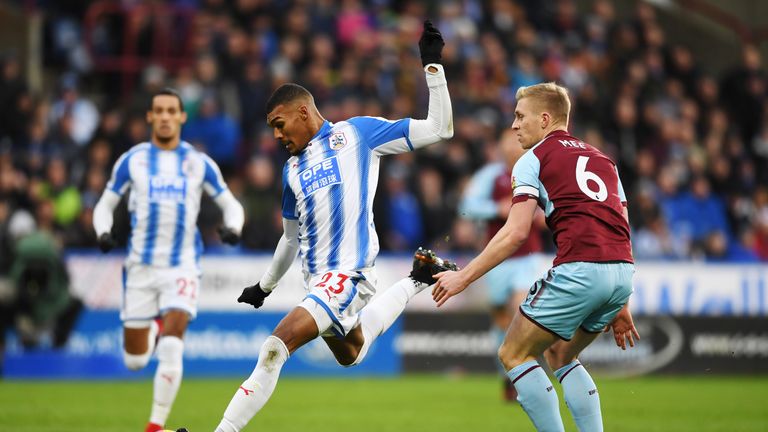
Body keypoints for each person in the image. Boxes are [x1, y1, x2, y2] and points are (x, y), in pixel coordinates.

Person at [209, 20, 453, 432]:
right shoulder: (291, 172)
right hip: (319, 282)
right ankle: (418, 278)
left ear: (303, 111)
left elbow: (439, 129)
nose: (276, 135)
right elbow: (290, 238)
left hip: (349, 275)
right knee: (352, 352)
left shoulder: (356, 135)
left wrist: (432, 68)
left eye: (279, 123)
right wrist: (264, 287)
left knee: (275, 346)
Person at [433, 82, 639, 432]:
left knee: (512, 353)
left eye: (519, 116)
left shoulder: (533, 159)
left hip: (579, 269)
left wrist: (463, 277)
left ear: (545, 119)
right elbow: (620, 226)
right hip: (621, 273)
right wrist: (621, 302)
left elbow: (515, 233)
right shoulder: (604, 160)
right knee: (561, 354)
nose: (514, 125)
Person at [93, 88, 244, 432]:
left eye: (170, 110)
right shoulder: (133, 160)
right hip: (140, 268)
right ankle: (156, 328)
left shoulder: (198, 163)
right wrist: (103, 232)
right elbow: (104, 204)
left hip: (183, 265)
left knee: (174, 345)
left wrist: (233, 227)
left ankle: (155, 425)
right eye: (158, 110)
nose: (164, 116)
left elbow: (231, 204)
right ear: (150, 117)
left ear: (181, 116)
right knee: (134, 361)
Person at [458, 127, 547, 402]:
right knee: (501, 322)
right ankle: (509, 374)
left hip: (527, 257)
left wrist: (543, 214)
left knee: (521, 310)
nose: (512, 147)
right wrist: (496, 209)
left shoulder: (535, 173)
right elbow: (467, 205)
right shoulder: (491, 175)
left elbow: (550, 209)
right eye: (506, 142)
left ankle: (529, 370)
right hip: (497, 259)